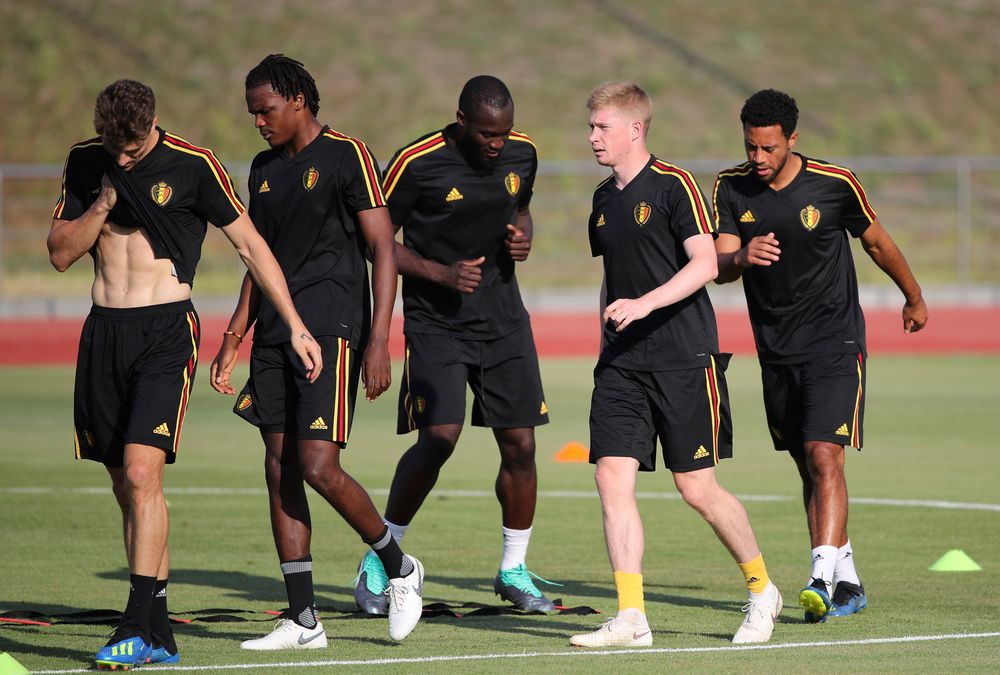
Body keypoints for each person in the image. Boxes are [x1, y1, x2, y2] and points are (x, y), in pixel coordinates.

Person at [47, 79, 323, 670]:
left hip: (166, 332)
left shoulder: (195, 166)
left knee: (145, 472)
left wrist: (295, 324)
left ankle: (132, 623)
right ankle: (160, 628)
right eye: (113, 149)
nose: (122, 159)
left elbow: (253, 248)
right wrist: (101, 201)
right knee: (127, 486)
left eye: (133, 150)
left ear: (153, 125)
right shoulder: (85, 162)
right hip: (103, 332)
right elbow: (60, 253)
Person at [207, 55, 425, 648]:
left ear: (298, 100)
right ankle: (303, 619)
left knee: (318, 466)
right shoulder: (262, 168)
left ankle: (400, 569)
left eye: (266, 110)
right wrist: (232, 339)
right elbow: (259, 261)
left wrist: (379, 339)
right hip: (277, 333)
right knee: (280, 468)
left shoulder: (347, 155)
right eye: (252, 112)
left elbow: (383, 249)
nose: (258, 122)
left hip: (331, 330)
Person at [569, 82, 782, 648]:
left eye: (602, 127)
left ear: (635, 129)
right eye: (591, 127)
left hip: (684, 359)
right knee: (610, 477)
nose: (593, 137)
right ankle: (632, 616)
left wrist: (643, 306)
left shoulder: (674, 186)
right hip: (620, 365)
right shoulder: (601, 199)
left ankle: (762, 591)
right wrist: (609, 330)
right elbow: (614, 279)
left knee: (697, 488)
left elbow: (707, 263)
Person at [713, 89, 928, 622]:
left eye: (768, 147)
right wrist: (743, 253)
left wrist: (914, 296)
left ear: (792, 139)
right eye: (751, 147)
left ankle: (819, 578)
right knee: (806, 468)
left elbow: (877, 243)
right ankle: (847, 579)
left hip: (835, 342)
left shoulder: (835, 184)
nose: (758, 158)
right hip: (775, 351)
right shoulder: (730, 187)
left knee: (824, 455)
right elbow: (720, 265)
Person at [352, 75, 555, 614]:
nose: (498, 145)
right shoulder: (416, 162)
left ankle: (514, 569)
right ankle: (381, 558)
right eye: (488, 135)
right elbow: (377, 243)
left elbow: (521, 208)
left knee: (522, 445)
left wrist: (522, 235)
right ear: (462, 121)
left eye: (505, 134)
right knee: (440, 437)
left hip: (505, 321)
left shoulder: (523, 153)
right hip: (435, 323)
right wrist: (440, 275)